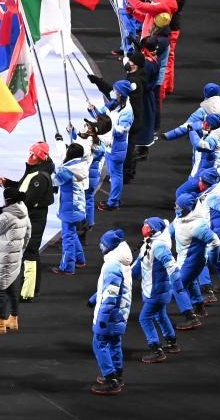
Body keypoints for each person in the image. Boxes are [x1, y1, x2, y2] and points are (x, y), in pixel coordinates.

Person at [0, 141, 56, 302]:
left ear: (40, 157)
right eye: (30, 153)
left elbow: (27, 201)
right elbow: (23, 187)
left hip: (34, 219)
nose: (30, 157)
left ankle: (28, 292)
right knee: (29, 253)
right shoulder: (34, 171)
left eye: (33, 154)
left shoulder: (39, 177)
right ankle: (29, 289)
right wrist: (8, 183)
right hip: (29, 217)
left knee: (30, 253)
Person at [87, 229, 133, 395]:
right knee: (114, 342)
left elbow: (111, 295)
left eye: (103, 243)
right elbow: (114, 288)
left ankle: (110, 379)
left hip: (111, 314)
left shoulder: (111, 265)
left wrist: (102, 318)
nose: (100, 245)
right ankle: (117, 374)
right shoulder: (122, 263)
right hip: (121, 312)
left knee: (99, 342)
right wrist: (94, 298)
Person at [0, 188, 31, 333]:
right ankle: (13, 319)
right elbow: (28, 235)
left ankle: (0, 323)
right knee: (11, 287)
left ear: (7, 200)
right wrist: (20, 252)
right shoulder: (23, 212)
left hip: (4, 258)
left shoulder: (7, 216)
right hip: (15, 257)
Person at [133, 218, 182, 363]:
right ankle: (172, 343)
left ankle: (156, 350)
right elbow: (137, 267)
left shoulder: (159, 246)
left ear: (154, 229)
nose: (144, 227)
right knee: (160, 315)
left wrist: (179, 286)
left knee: (144, 318)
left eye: (147, 226)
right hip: (158, 289)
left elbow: (172, 266)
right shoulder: (147, 244)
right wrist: (126, 278)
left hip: (156, 291)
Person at [87, 79, 136, 211]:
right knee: (114, 174)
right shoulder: (115, 103)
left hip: (117, 148)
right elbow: (101, 116)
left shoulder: (127, 111)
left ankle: (113, 203)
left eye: (115, 90)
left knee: (116, 176)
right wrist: (93, 110)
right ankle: (114, 199)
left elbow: (121, 131)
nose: (112, 92)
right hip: (110, 146)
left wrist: (105, 127)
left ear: (120, 93)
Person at [171, 193, 220, 322]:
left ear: (187, 208)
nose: (176, 209)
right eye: (176, 206)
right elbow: (171, 229)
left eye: (179, 207)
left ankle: (191, 318)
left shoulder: (197, 225)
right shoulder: (181, 217)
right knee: (191, 281)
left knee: (177, 286)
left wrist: (213, 260)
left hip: (192, 261)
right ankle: (199, 307)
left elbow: (215, 242)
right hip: (185, 259)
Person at [50, 143, 88, 277]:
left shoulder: (67, 171)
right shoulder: (81, 165)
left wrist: (51, 167)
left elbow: (54, 181)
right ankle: (80, 260)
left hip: (69, 208)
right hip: (78, 206)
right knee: (72, 234)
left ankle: (67, 267)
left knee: (67, 238)